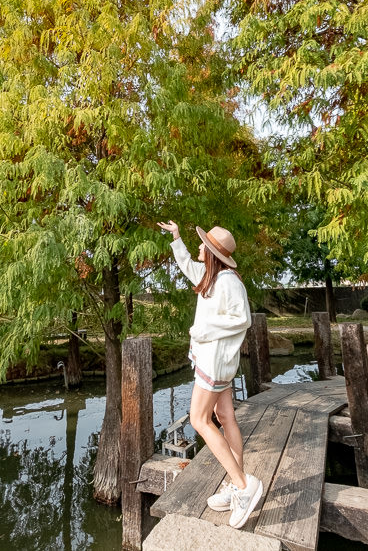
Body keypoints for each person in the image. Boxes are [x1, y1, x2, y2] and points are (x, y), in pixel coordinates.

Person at [157, 219, 263, 529]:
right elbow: (187, 266)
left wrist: (203, 330)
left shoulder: (229, 281)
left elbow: (242, 319)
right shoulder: (212, 276)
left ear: (214, 253)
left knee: (199, 420)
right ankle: (235, 484)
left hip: (214, 363)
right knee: (226, 417)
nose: (200, 247)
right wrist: (176, 238)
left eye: (204, 244)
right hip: (217, 362)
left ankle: (243, 486)